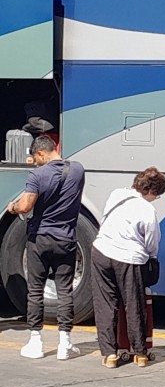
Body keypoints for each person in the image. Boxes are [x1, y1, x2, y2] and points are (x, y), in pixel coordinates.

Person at [6, 135, 85, 360]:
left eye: (36, 157)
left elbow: (26, 205)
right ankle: (65, 344)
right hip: (67, 239)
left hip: (40, 239)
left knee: (36, 290)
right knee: (64, 291)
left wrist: (13, 207)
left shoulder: (37, 175)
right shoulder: (78, 170)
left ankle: (35, 342)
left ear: (41, 153)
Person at [91, 167, 165, 368]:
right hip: (129, 257)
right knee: (134, 304)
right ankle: (140, 354)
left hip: (101, 251)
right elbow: (152, 243)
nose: (155, 199)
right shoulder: (148, 210)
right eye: (157, 195)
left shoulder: (117, 194)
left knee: (105, 304)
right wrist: (150, 258)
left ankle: (109, 355)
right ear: (151, 191)